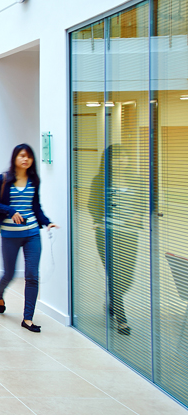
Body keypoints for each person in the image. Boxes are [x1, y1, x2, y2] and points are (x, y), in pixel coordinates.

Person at [0, 143, 59, 332]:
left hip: (32, 233)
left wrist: (46, 222)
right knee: (9, 273)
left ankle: (27, 318)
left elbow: (36, 206)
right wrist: (11, 210)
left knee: (32, 276)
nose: (25, 159)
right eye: (22, 155)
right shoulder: (2, 180)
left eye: (28, 156)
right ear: (15, 158)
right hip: (9, 234)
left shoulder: (34, 180)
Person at [91, 144, 137, 335]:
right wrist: (98, 221)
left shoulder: (136, 180)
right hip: (107, 235)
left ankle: (112, 299)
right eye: (116, 157)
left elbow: (143, 203)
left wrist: (138, 216)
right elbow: (92, 204)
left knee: (128, 277)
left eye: (124, 156)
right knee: (115, 274)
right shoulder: (100, 180)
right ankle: (121, 317)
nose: (121, 160)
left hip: (129, 235)